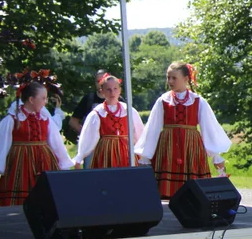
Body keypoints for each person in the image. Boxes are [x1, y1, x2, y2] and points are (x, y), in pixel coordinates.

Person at [135, 62, 231, 199]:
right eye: (168, 77)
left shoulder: (198, 101)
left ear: (186, 79)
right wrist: (145, 157)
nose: (170, 81)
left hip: (191, 146)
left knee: (194, 194)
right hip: (168, 147)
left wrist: (217, 158)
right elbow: (152, 129)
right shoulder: (163, 101)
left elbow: (209, 129)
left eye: (174, 78)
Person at [0, 81, 72, 206]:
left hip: (44, 161)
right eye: (43, 98)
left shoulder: (45, 119)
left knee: (46, 198)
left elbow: (56, 142)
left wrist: (63, 163)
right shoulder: (12, 119)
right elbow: (0, 143)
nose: (45, 102)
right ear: (31, 99)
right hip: (20, 162)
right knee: (21, 195)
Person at [72, 74, 145, 169]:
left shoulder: (129, 110)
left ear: (120, 90)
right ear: (102, 92)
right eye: (108, 89)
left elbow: (139, 133)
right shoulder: (97, 113)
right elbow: (88, 137)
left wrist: (144, 154)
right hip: (105, 154)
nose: (112, 93)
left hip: (126, 153)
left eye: (115, 89)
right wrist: (80, 157)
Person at [68, 69, 108, 137]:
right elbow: (73, 122)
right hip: (92, 144)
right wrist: (86, 135)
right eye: (98, 81)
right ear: (95, 83)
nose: (101, 83)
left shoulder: (117, 100)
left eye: (103, 80)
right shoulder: (88, 99)